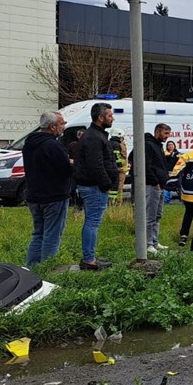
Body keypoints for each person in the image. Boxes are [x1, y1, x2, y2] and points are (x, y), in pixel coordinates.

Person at [22, 111, 72, 267]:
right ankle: (48, 269)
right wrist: (71, 163)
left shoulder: (29, 144)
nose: (63, 127)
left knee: (38, 233)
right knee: (52, 234)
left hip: (34, 195)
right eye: (62, 123)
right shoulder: (53, 145)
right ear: (52, 126)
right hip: (54, 196)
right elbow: (65, 170)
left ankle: (32, 266)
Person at [73, 102, 118, 270]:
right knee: (92, 222)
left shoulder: (95, 135)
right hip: (94, 187)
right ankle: (89, 259)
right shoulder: (94, 137)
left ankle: (89, 256)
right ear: (100, 118)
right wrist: (106, 184)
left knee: (92, 221)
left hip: (93, 185)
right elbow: (96, 164)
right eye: (109, 115)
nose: (112, 118)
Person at [142, 123, 172, 255]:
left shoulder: (158, 146)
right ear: (158, 132)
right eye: (165, 134)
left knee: (158, 215)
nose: (167, 137)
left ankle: (154, 241)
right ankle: (148, 243)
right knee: (150, 215)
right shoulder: (149, 145)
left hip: (160, 184)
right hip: (153, 185)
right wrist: (155, 181)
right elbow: (147, 165)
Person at [107, 129, 128, 202]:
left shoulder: (109, 143)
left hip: (111, 168)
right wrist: (120, 166)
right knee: (118, 187)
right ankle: (117, 202)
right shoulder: (116, 144)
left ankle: (112, 202)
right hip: (118, 170)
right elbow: (117, 157)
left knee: (113, 187)